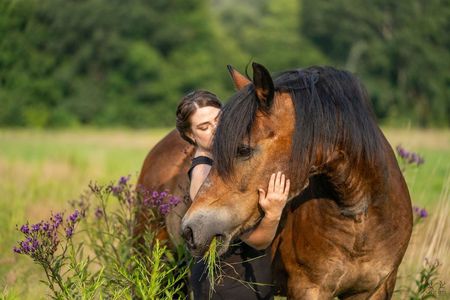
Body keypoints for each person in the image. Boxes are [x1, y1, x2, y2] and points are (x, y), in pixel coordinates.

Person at [176, 90, 290, 300]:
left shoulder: (228, 166)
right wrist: (273, 213)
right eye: (204, 127)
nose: (215, 129)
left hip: (248, 279)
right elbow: (257, 241)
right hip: (227, 284)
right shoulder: (203, 172)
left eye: (219, 120)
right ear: (191, 136)